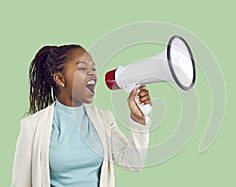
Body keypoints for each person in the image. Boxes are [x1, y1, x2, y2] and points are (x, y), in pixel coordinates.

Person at [11, 45, 152, 187]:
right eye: (83, 68)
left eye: (93, 69)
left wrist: (138, 119)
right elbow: (20, 183)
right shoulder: (32, 127)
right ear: (60, 79)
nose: (92, 74)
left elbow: (133, 163)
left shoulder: (104, 118)